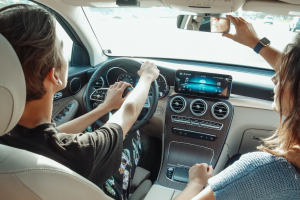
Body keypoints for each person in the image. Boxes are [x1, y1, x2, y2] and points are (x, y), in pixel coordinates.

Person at [0, 4, 159, 200]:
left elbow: (52, 136)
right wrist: (147, 77)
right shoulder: (82, 153)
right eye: (61, 50)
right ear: (55, 76)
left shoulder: (8, 134)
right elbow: (129, 111)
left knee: (95, 129)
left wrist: (104, 108)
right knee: (131, 133)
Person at [174, 15, 300, 200]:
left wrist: (196, 182)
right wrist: (255, 43)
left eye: (284, 76)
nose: (274, 78)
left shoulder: (263, 172)